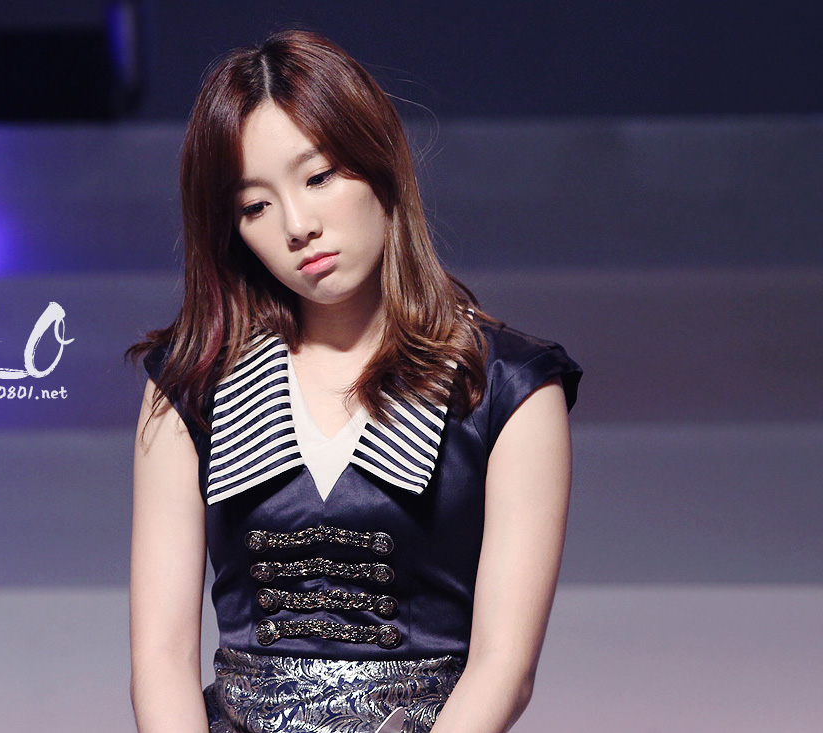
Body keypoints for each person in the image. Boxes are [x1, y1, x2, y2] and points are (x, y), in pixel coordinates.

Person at [126, 28, 582, 733]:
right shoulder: (190, 384)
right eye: (254, 206)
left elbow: (504, 668)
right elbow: (161, 658)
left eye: (318, 177)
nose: (298, 225)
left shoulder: (506, 387)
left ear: (379, 160)